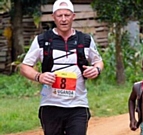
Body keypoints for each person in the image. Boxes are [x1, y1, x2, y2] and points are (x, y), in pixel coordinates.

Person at [20, 0, 104, 135]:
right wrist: (39, 76)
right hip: (50, 105)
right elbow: (24, 67)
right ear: (53, 17)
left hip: (78, 105)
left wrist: (96, 69)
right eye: (60, 16)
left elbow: (98, 61)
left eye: (67, 15)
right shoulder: (42, 40)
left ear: (73, 16)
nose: (63, 19)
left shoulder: (85, 40)